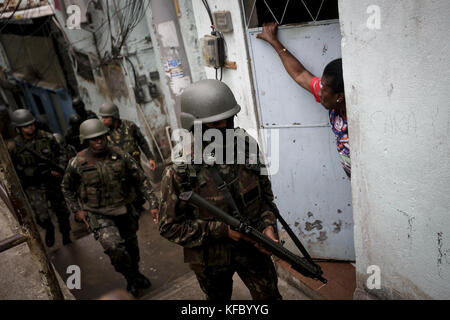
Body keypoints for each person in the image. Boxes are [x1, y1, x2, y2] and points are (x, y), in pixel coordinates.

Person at [158, 79, 282, 301]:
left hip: (253, 247)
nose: (224, 127)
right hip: (210, 259)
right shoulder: (180, 168)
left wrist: (268, 227)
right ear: (193, 125)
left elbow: (266, 200)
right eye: (214, 124)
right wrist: (221, 230)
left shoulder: (247, 147)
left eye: (227, 120)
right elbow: (169, 227)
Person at [61, 119, 160, 297]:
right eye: (93, 139)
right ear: (86, 140)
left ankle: (135, 273)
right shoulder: (77, 163)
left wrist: (154, 203)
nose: (98, 141)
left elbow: (141, 180)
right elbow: (66, 187)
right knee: (114, 248)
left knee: (131, 248)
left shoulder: (119, 155)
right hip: (98, 214)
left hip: (124, 209)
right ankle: (130, 277)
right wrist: (76, 209)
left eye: (101, 137)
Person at [257, 22, 350, 178]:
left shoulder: (362, 120)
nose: (319, 92)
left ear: (339, 96)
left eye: (324, 90)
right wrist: (274, 41)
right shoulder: (335, 100)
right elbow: (300, 74)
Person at [8, 109, 72, 247]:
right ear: (19, 128)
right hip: (33, 185)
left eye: (31, 124)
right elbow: (11, 168)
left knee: (63, 212)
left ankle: (66, 235)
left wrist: (58, 169)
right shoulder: (14, 146)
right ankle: (49, 229)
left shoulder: (47, 137)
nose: (30, 128)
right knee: (41, 215)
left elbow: (62, 154)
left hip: (51, 182)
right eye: (26, 126)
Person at [99, 102, 157, 171]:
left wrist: (150, 158)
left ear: (114, 116)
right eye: (102, 118)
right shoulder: (104, 132)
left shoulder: (130, 126)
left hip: (135, 167)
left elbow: (142, 142)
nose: (103, 120)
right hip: (117, 171)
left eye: (106, 117)